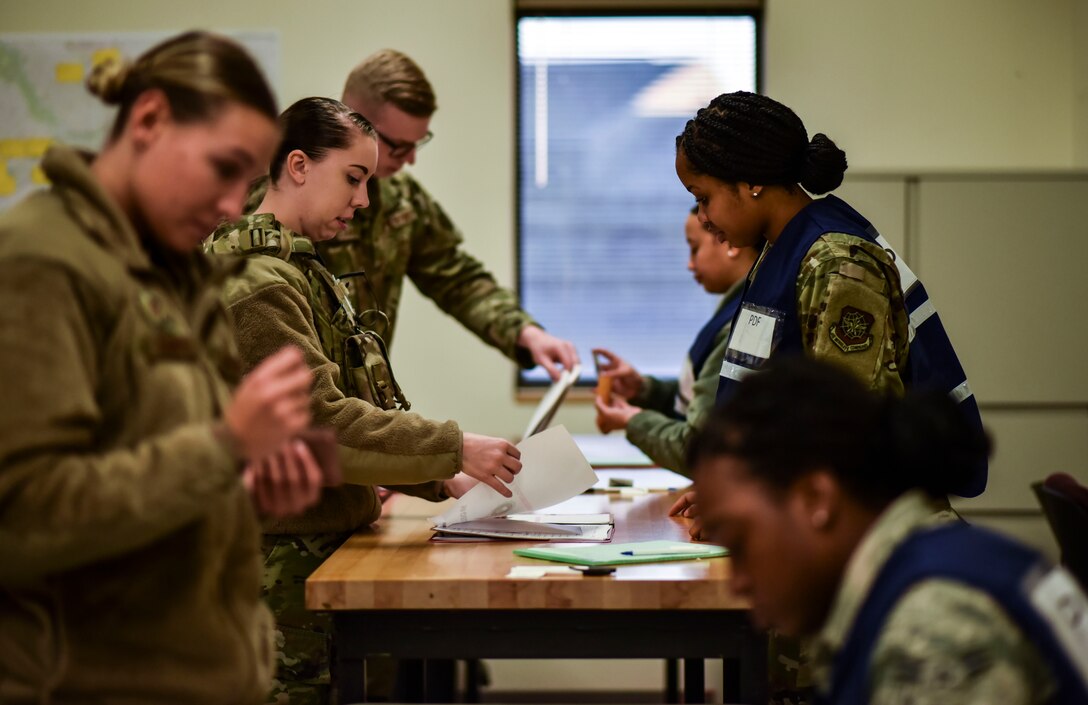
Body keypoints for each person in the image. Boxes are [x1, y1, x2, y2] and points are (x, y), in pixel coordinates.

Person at [0, 32, 326, 704]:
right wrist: (225, 445)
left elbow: (151, 467)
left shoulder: (172, 270)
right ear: (148, 120)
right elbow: (25, 515)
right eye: (224, 168)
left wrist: (248, 484)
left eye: (248, 181)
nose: (235, 204)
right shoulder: (43, 262)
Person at [207, 96, 523, 705]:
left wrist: (440, 479)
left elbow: (358, 399)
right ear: (298, 165)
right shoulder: (254, 283)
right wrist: (454, 449)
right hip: (273, 568)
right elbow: (319, 423)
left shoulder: (296, 269)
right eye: (353, 179)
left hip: (310, 554)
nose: (364, 200)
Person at [688, 357, 1088, 705]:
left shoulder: (931, 622)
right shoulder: (922, 564)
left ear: (816, 499)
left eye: (739, 541)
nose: (737, 581)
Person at [674, 90, 986, 498]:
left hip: (865, 523)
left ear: (750, 183)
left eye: (703, 198)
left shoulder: (835, 261)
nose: (703, 218)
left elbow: (846, 435)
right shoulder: (781, 249)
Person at [314, 49, 578, 380]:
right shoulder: (292, 196)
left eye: (418, 143)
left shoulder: (400, 197)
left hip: (362, 413)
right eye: (399, 146)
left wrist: (525, 333)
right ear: (353, 119)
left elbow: (455, 277)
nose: (411, 160)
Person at [592, 206, 757, 475]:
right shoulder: (737, 305)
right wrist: (644, 391)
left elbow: (699, 446)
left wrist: (633, 421)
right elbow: (707, 399)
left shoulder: (743, 323)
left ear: (728, 243)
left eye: (694, 248)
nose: (689, 264)